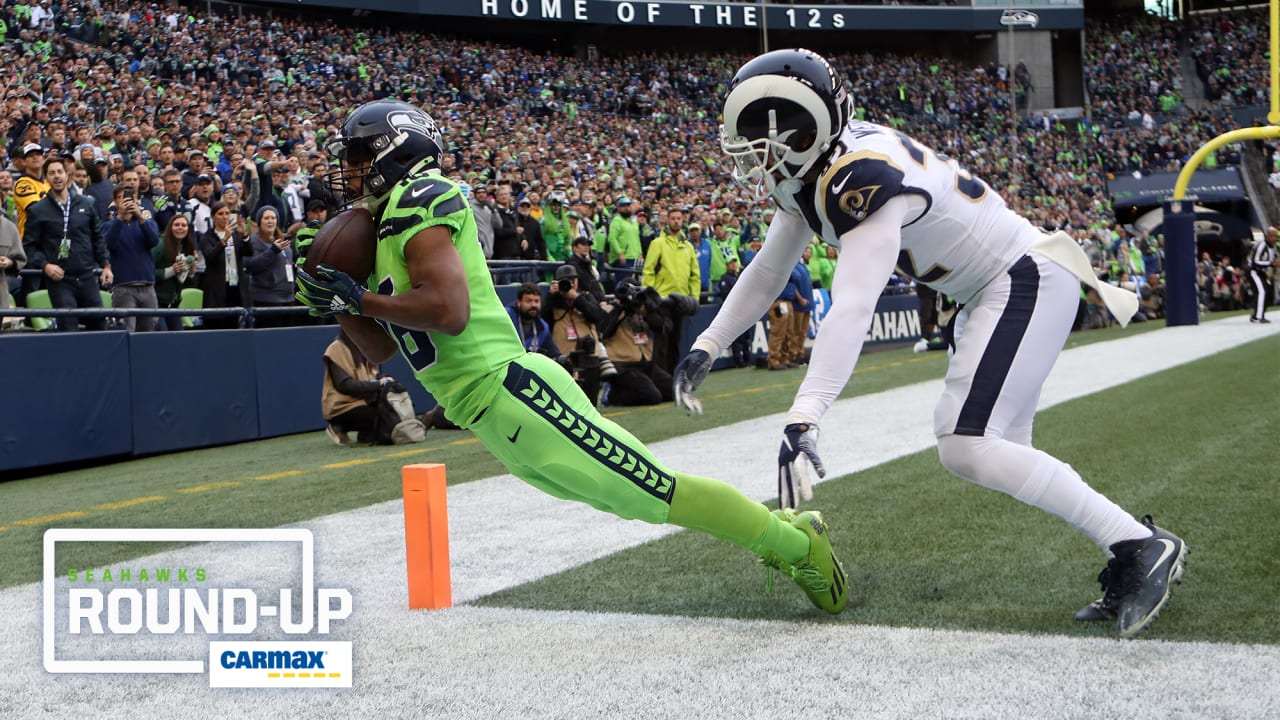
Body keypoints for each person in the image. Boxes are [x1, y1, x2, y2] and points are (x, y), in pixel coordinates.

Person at [671, 49, 1185, 637]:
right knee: (991, 449)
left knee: (968, 443)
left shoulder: (858, 178)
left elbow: (856, 304)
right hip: (996, 288)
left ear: (805, 131)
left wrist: (805, 414)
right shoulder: (820, 166)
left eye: (765, 144)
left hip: (1021, 278)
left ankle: (1141, 546)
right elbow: (767, 269)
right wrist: (708, 344)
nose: (756, 159)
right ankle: (1134, 548)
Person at [292, 98, 848, 615]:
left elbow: (448, 310)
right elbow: (383, 345)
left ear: (399, 150)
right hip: (485, 411)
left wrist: (358, 295)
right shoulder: (388, 224)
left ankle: (795, 542)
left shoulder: (422, 196)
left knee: (655, 490)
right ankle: (786, 533)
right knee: (636, 500)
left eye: (361, 154)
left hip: (510, 390)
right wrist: (340, 304)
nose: (352, 169)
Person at [22, 157, 111, 331]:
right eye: (51, 173)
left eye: (59, 172)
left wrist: (106, 265)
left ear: (67, 175)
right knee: (68, 328)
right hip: (60, 280)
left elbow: (98, 237)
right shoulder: (38, 210)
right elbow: (29, 246)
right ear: (46, 178)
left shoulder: (87, 203)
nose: (56, 176)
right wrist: (45, 265)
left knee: (100, 325)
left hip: (87, 276)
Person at [321, 329, 426, 446]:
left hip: (366, 401)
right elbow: (344, 385)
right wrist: (379, 384)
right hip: (342, 406)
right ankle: (339, 426)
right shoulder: (336, 348)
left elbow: (371, 377)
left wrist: (385, 380)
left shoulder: (365, 349)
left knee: (392, 411)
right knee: (385, 416)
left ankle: (367, 434)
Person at [104, 184, 161, 331]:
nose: (128, 201)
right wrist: (120, 218)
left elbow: (154, 240)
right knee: (126, 331)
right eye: (121, 198)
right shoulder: (109, 225)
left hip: (147, 285)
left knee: (149, 331)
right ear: (116, 202)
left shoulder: (147, 222)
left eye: (131, 197)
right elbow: (109, 244)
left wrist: (141, 218)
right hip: (123, 287)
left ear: (137, 200)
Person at [1246, 226, 1276, 323]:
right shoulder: (1261, 246)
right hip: (1253, 271)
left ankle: (1257, 314)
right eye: (1272, 236)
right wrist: (1271, 264)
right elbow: (1255, 262)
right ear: (1267, 236)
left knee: (1269, 293)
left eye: (1275, 236)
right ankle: (1258, 317)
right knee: (1261, 291)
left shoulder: (1271, 247)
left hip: (1262, 273)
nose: (1274, 239)